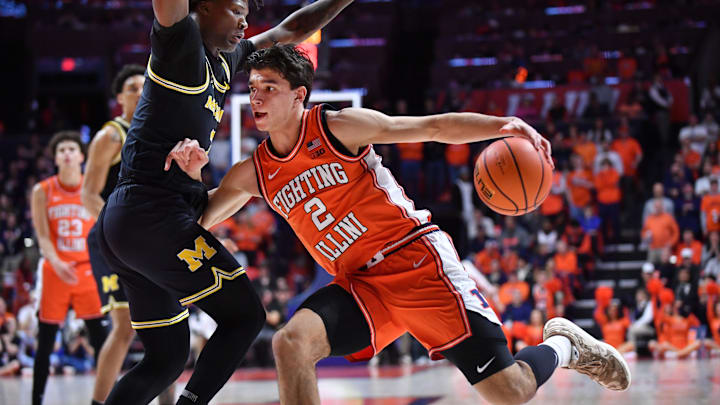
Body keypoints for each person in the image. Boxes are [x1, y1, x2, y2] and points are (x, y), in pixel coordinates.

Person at [168, 45, 631, 404]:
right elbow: (200, 219)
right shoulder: (253, 172)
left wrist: (503, 125)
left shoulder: (338, 127)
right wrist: (190, 178)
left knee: (510, 391)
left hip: (415, 263)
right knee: (291, 343)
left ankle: (564, 346)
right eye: (253, 87)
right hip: (361, 285)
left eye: (269, 86)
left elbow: (431, 127)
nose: (257, 96)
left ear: (298, 95)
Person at [95, 1, 355, 404]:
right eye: (235, 9)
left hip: (130, 223)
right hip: (153, 216)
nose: (244, 19)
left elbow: (292, 28)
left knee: (165, 359)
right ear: (204, 7)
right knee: (245, 317)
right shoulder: (180, 45)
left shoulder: (229, 58)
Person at [81, 64, 176, 405]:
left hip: (150, 240)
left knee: (165, 326)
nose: (140, 90)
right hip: (114, 238)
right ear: (119, 97)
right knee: (124, 327)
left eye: (144, 85)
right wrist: (119, 227)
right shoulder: (111, 135)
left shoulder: (156, 134)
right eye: (132, 87)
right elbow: (88, 194)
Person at [30, 131, 107, 405]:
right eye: (61, 149)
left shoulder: (92, 189)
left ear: (82, 156)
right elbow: (42, 236)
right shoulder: (43, 190)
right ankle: (36, 399)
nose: (66, 153)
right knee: (46, 341)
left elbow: (106, 229)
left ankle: (105, 398)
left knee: (102, 340)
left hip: (88, 271)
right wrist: (56, 261)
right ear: (55, 157)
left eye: (71, 149)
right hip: (55, 269)